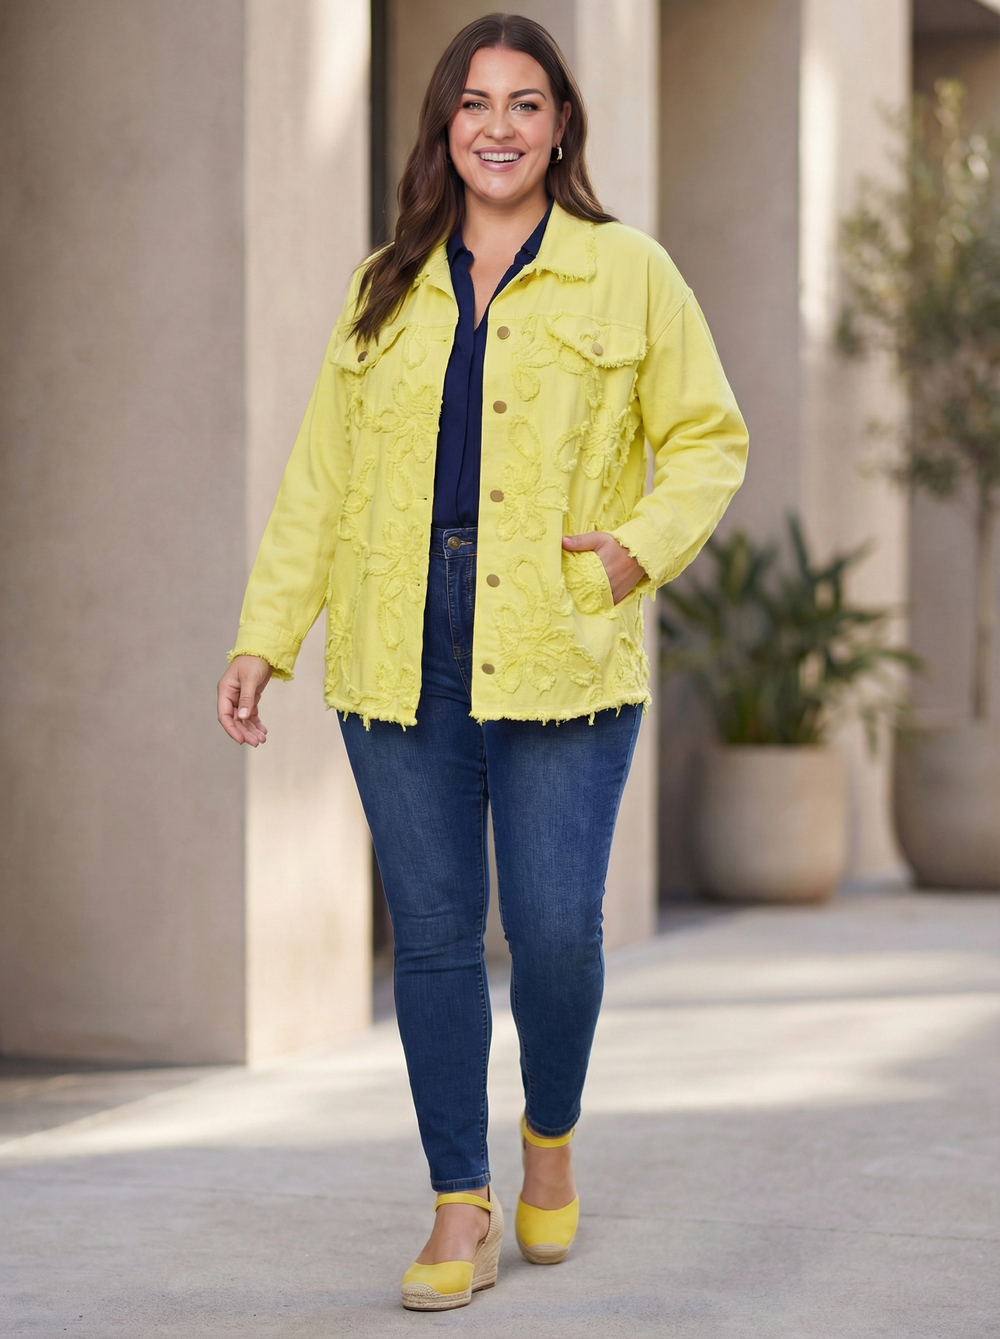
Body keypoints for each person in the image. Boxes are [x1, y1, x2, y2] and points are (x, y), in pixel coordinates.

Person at [217, 12, 747, 1313]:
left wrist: (632, 554)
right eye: (474, 103)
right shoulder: (384, 282)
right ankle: (461, 1202)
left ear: (560, 127)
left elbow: (709, 439)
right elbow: (321, 480)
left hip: (561, 633)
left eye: (524, 104)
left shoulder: (628, 271)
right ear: (443, 126)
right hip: (398, 639)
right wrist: (266, 634)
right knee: (439, 936)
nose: (497, 127)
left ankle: (549, 1131)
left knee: (557, 932)